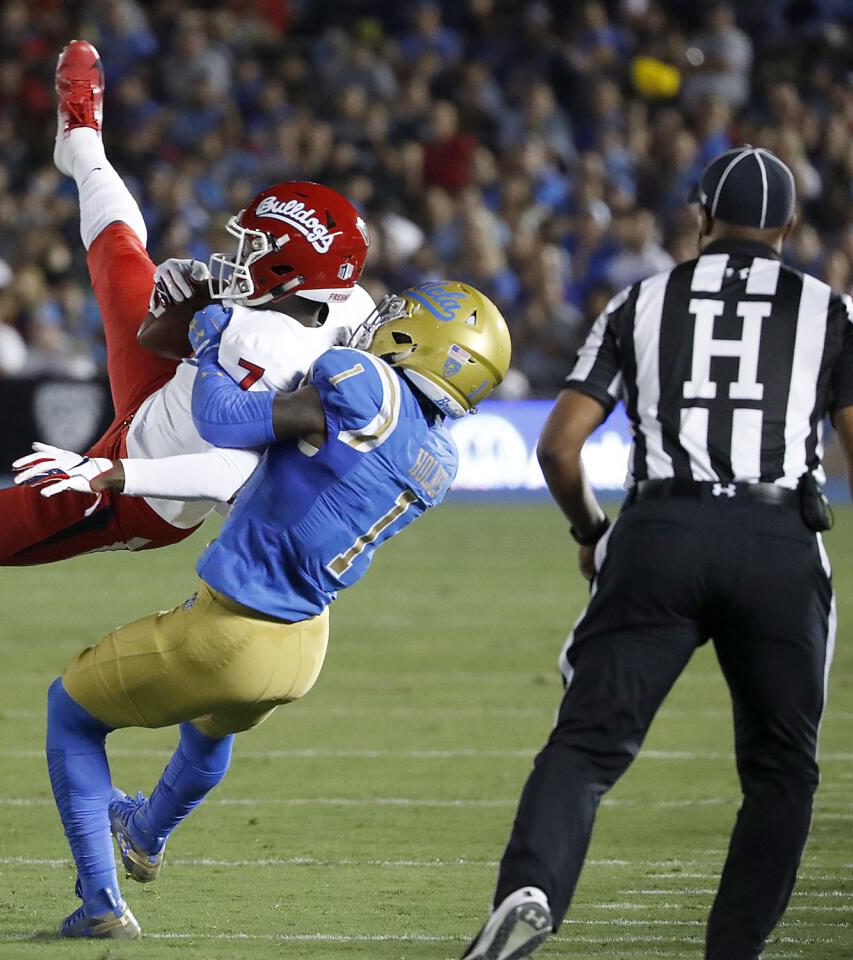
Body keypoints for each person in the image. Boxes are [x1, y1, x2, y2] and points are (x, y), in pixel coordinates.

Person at [0, 41, 374, 740]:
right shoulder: (343, 305)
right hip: (168, 394)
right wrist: (186, 318)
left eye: (257, 255)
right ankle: (81, 136)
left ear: (296, 279)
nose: (238, 260)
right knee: (120, 246)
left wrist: (111, 472)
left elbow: (223, 472)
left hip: (146, 492)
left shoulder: (276, 351)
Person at [462, 146, 853, 960]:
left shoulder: (640, 301)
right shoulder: (830, 309)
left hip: (660, 532)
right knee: (783, 771)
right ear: (786, 227)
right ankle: (733, 950)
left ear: (700, 216)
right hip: (780, 539)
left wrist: (592, 533)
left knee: (586, 745)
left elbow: (560, 447)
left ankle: (529, 891)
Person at [28, 279, 511, 938]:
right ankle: (144, 835)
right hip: (304, 643)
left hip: (233, 629)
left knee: (71, 711)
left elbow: (225, 422)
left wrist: (208, 348)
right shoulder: (440, 457)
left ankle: (101, 907)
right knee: (210, 728)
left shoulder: (360, 380)